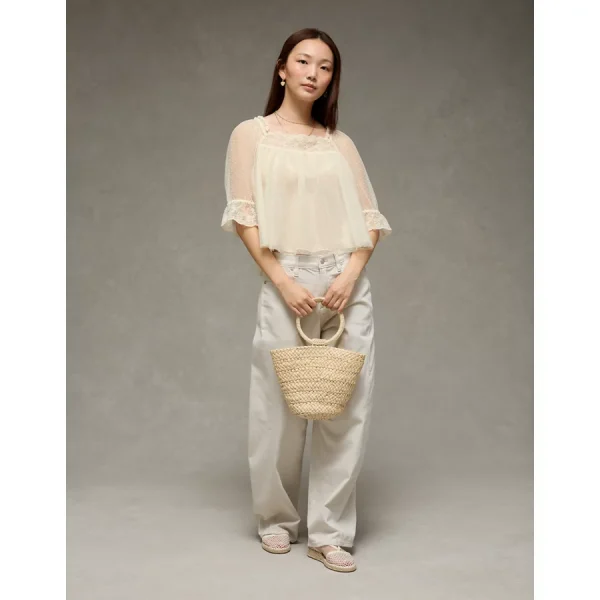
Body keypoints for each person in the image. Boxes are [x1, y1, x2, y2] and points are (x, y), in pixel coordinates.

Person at [220, 28, 392, 573]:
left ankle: (329, 533)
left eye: (325, 66)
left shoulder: (339, 144)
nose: (313, 73)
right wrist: (283, 281)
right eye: (303, 61)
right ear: (281, 69)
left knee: (347, 407)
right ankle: (277, 520)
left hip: (345, 282)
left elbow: (370, 221)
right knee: (276, 408)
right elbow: (245, 216)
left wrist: (349, 277)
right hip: (287, 278)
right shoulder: (251, 135)